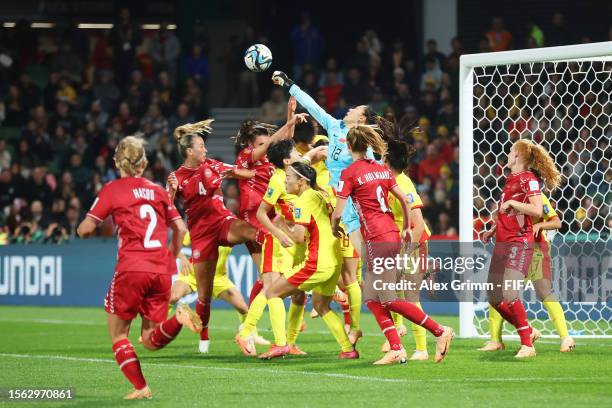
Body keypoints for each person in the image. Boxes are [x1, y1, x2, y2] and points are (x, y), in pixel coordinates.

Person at [77, 136, 194, 399]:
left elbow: (84, 229)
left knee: (119, 336)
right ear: (144, 163)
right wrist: (171, 255)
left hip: (132, 267)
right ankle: (178, 319)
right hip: (161, 270)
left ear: (118, 161)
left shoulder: (113, 189)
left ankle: (141, 387)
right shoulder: (157, 191)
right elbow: (181, 228)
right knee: (150, 339)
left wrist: (97, 229)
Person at [332, 125, 454, 365]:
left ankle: (439, 331)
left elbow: (338, 211)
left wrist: (334, 226)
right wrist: (407, 228)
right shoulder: (382, 170)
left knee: (387, 298)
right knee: (371, 295)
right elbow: (405, 202)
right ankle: (396, 347)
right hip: (390, 236)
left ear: (348, 146)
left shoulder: (349, 173)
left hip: (378, 238)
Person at [168, 120, 268, 353]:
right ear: (189, 151)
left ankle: (279, 260)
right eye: (201, 145)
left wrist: (263, 172)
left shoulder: (213, 164)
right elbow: (167, 207)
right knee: (203, 295)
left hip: (222, 223)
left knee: (253, 232)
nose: (205, 149)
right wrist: (170, 192)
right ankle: (204, 337)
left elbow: (238, 172)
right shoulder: (177, 177)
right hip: (201, 236)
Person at [259, 162, 358, 360]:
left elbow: (297, 237)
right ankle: (348, 349)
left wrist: (281, 226)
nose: (285, 180)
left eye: (289, 177)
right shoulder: (321, 194)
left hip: (317, 262)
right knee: (321, 306)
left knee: (272, 292)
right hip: (333, 260)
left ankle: (280, 344)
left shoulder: (303, 200)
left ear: (302, 181)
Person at [481, 139, 561, 358]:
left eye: (509, 151)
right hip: (502, 242)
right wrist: (494, 229)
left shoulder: (529, 179)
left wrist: (514, 204)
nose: (507, 155)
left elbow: (536, 210)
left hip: (520, 242)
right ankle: (528, 330)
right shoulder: (511, 179)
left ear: (517, 155)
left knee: (510, 293)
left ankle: (527, 345)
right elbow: (511, 215)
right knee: (494, 297)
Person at [236, 139, 308, 356]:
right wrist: (278, 232)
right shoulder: (278, 181)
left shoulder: (293, 176)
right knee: (272, 290)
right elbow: (260, 213)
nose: (298, 153)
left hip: (289, 245)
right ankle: (278, 341)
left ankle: (251, 332)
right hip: (277, 244)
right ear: (286, 161)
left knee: (273, 291)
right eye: (295, 151)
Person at [480, 193, 575, 353]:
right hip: (516, 249)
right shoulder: (511, 195)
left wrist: (539, 226)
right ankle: (496, 340)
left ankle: (566, 338)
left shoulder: (537, 197)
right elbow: (506, 221)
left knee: (543, 292)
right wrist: (493, 230)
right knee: (498, 293)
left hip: (537, 249)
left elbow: (557, 222)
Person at [170, 232, 270, 351]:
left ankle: (252, 336)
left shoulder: (230, 230)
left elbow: (249, 240)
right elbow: (174, 245)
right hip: (194, 273)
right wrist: (182, 258)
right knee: (173, 297)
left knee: (243, 307)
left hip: (218, 278)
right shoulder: (199, 227)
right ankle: (155, 329)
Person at [382, 137, 432, 361]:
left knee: (411, 296)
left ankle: (422, 348)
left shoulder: (403, 184)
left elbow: (418, 224)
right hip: (396, 243)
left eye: (382, 155)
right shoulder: (387, 180)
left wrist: (405, 253)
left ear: (386, 160)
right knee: (390, 292)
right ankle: (398, 328)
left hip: (414, 243)